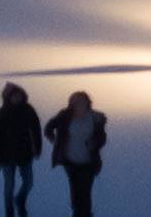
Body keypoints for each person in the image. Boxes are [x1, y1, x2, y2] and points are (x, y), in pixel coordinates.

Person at [48, 89, 108, 217]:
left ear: (87, 102)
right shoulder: (65, 116)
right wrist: (56, 142)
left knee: (85, 193)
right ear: (71, 103)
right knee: (75, 191)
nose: (79, 104)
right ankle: (77, 212)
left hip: (88, 162)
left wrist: (95, 142)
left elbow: (102, 138)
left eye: (81, 101)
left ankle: (85, 213)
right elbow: (48, 128)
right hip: (70, 161)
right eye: (75, 102)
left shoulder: (95, 118)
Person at [0, 82, 43, 213]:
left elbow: (36, 130)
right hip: (7, 155)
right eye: (13, 96)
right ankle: (9, 210)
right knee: (9, 186)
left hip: (25, 153)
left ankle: (20, 199)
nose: (16, 98)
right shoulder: (1, 114)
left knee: (28, 182)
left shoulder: (28, 110)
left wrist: (37, 148)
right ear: (7, 97)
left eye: (18, 95)